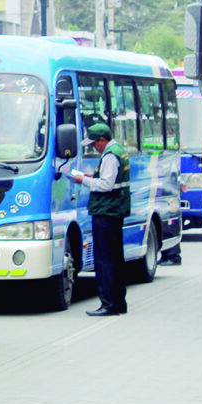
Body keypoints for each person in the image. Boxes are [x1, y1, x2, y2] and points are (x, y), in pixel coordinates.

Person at [73, 123, 130, 317]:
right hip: (115, 211)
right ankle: (118, 303)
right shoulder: (119, 151)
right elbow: (109, 179)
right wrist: (94, 175)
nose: (93, 148)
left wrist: (84, 180)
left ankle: (109, 304)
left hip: (106, 212)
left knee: (105, 260)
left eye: (93, 144)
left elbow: (106, 185)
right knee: (115, 258)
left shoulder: (110, 155)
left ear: (102, 140)